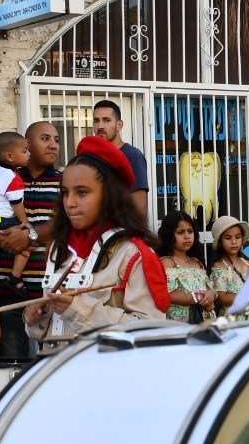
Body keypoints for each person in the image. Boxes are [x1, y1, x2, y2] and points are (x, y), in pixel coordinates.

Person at [24, 135, 168, 338]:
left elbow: (150, 331)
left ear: (110, 195)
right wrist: (36, 318)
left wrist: (78, 309)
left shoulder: (134, 254)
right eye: (65, 193)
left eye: (81, 193)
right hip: (58, 366)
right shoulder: (57, 248)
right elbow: (50, 331)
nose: (70, 203)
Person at [0, 120, 60, 358]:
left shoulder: (64, 182)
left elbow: (68, 223)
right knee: (12, 369)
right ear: (26, 145)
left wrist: (29, 235)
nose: (53, 145)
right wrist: (2, 239)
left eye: (57, 140)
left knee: (50, 369)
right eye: (45, 139)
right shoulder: (1, 178)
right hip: (6, 293)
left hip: (49, 290)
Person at [0, 132, 31, 281]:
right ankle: (15, 276)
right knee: (25, 243)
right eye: (24, 151)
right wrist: (25, 223)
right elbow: (16, 204)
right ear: (10, 157)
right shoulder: (13, 178)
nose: (28, 154)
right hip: (2, 217)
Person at [92, 99, 150, 218]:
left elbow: (139, 208)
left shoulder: (132, 156)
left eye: (106, 120)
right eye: (96, 120)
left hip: (121, 232)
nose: (100, 126)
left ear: (119, 125)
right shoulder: (93, 158)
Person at [155, 209, 215, 323]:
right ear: (169, 235)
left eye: (190, 231)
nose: (187, 236)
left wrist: (212, 295)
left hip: (204, 321)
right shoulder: (167, 262)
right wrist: (197, 298)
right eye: (180, 232)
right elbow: (168, 295)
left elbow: (209, 289)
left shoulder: (197, 262)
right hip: (180, 324)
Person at [209, 215, 249, 318]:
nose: (234, 242)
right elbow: (222, 297)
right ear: (219, 241)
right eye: (228, 238)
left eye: (238, 237)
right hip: (234, 319)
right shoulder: (219, 266)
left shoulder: (247, 263)